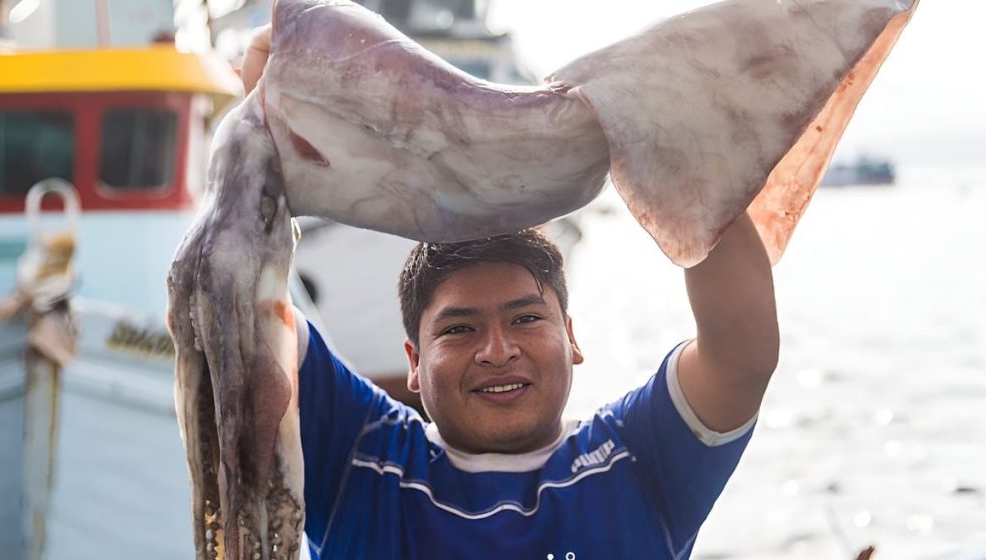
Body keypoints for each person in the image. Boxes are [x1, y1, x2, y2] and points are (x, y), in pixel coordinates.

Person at [242, 27, 779, 559]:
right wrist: (297, 63)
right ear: (415, 361)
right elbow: (243, 308)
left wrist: (673, 131)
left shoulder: (638, 458)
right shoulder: (359, 456)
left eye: (525, 319)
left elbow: (741, 354)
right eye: (459, 329)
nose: (497, 351)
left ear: (571, 338)